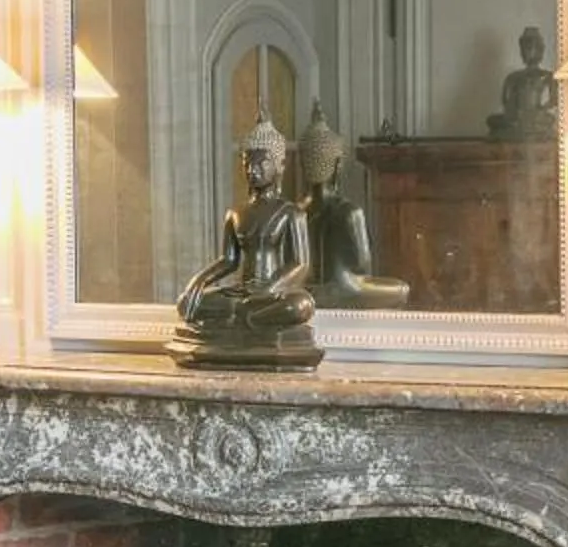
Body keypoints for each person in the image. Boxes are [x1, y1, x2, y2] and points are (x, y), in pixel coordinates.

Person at [172, 116, 322, 366]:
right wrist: (197, 283)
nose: (252, 170)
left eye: (261, 164)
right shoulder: (236, 213)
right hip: (243, 294)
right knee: (187, 304)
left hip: (270, 294)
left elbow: (300, 264)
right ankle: (246, 317)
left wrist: (268, 289)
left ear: (279, 165)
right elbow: (229, 260)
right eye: (246, 163)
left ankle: (242, 318)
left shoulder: (291, 212)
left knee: (301, 305)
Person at [296, 103, 410, 308]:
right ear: (338, 165)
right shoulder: (349, 211)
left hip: (308, 292)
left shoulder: (296, 211)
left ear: (302, 164)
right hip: (345, 289)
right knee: (401, 289)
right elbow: (362, 263)